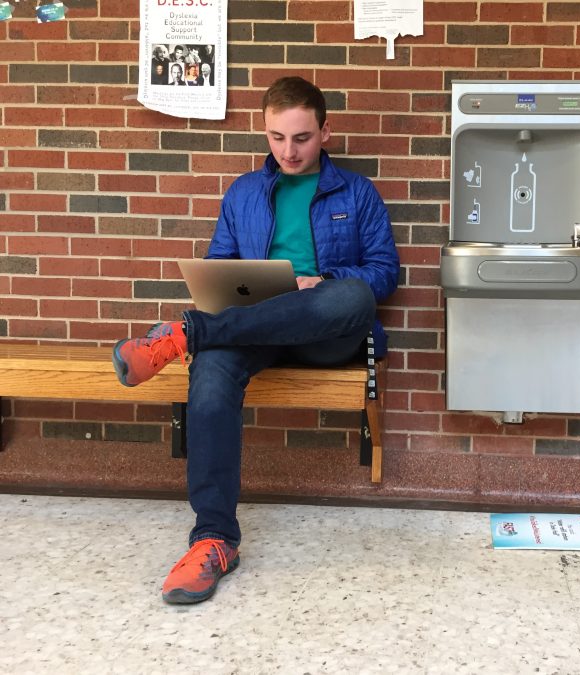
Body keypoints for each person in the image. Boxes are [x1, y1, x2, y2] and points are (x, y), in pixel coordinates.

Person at [111, 76, 400, 604]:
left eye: (302, 138)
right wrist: (252, 288)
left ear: (325, 133)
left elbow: (384, 273)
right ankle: (214, 540)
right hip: (253, 327)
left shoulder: (357, 193)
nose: (288, 151)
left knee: (353, 295)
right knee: (213, 372)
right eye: (276, 137)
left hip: (326, 334)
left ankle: (186, 335)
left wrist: (321, 282)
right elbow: (219, 269)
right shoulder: (244, 192)